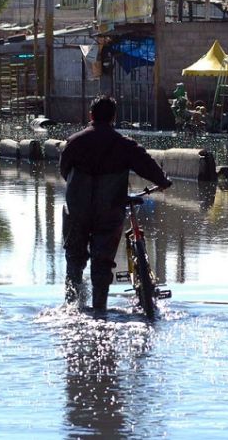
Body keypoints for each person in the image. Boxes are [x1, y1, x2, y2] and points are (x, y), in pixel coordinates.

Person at [59, 95, 172, 313]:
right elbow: (148, 166)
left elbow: (64, 172)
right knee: (102, 263)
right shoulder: (125, 145)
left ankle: (72, 309)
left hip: (78, 212)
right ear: (114, 117)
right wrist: (164, 182)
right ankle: (100, 310)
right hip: (109, 212)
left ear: (90, 116)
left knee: (74, 260)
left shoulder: (75, 142)